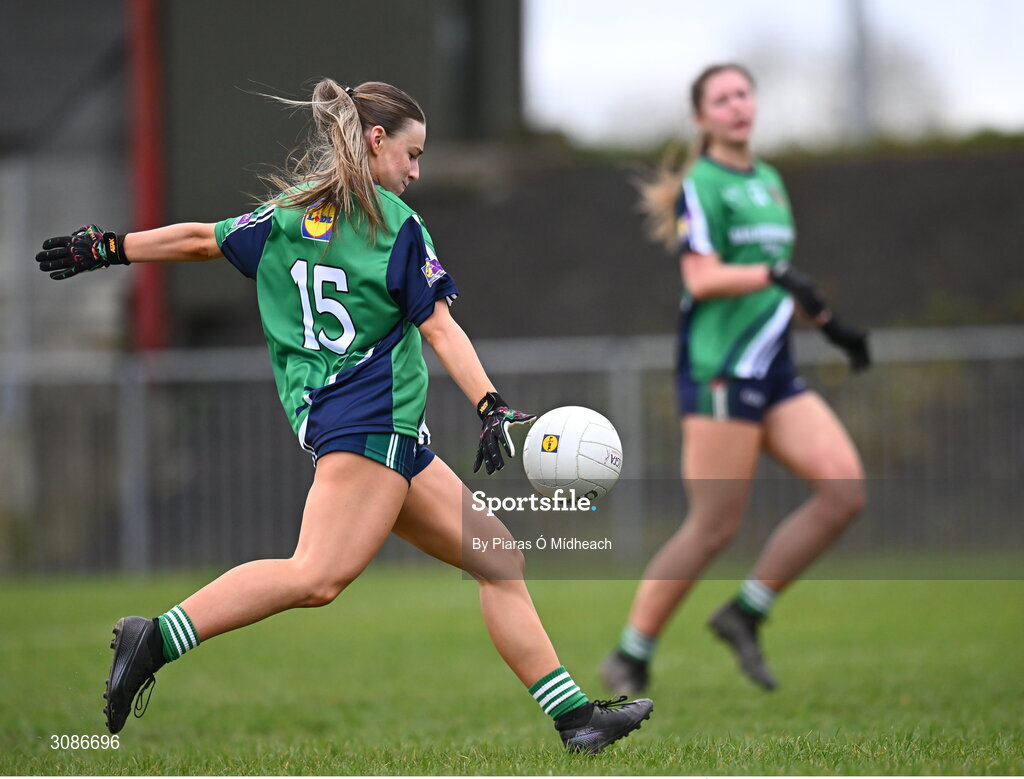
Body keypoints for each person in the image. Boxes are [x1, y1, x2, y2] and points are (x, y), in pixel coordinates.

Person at [36, 78, 653, 754]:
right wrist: (490, 404)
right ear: (375, 140)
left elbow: (196, 241)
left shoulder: (287, 214)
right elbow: (441, 328)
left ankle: (576, 721)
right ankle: (154, 636)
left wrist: (110, 247)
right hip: (369, 419)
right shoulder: (395, 225)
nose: (416, 172)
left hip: (364, 423)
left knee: (498, 556)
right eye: (411, 155)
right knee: (316, 576)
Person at [601, 64, 870, 694]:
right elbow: (704, 278)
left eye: (743, 93)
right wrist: (778, 278)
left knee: (844, 490)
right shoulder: (704, 183)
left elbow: (773, 278)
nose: (737, 105)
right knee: (714, 525)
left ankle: (745, 612)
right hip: (721, 369)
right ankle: (631, 653)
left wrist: (830, 325)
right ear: (702, 118)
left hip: (773, 368)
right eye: (721, 99)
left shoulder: (771, 181)